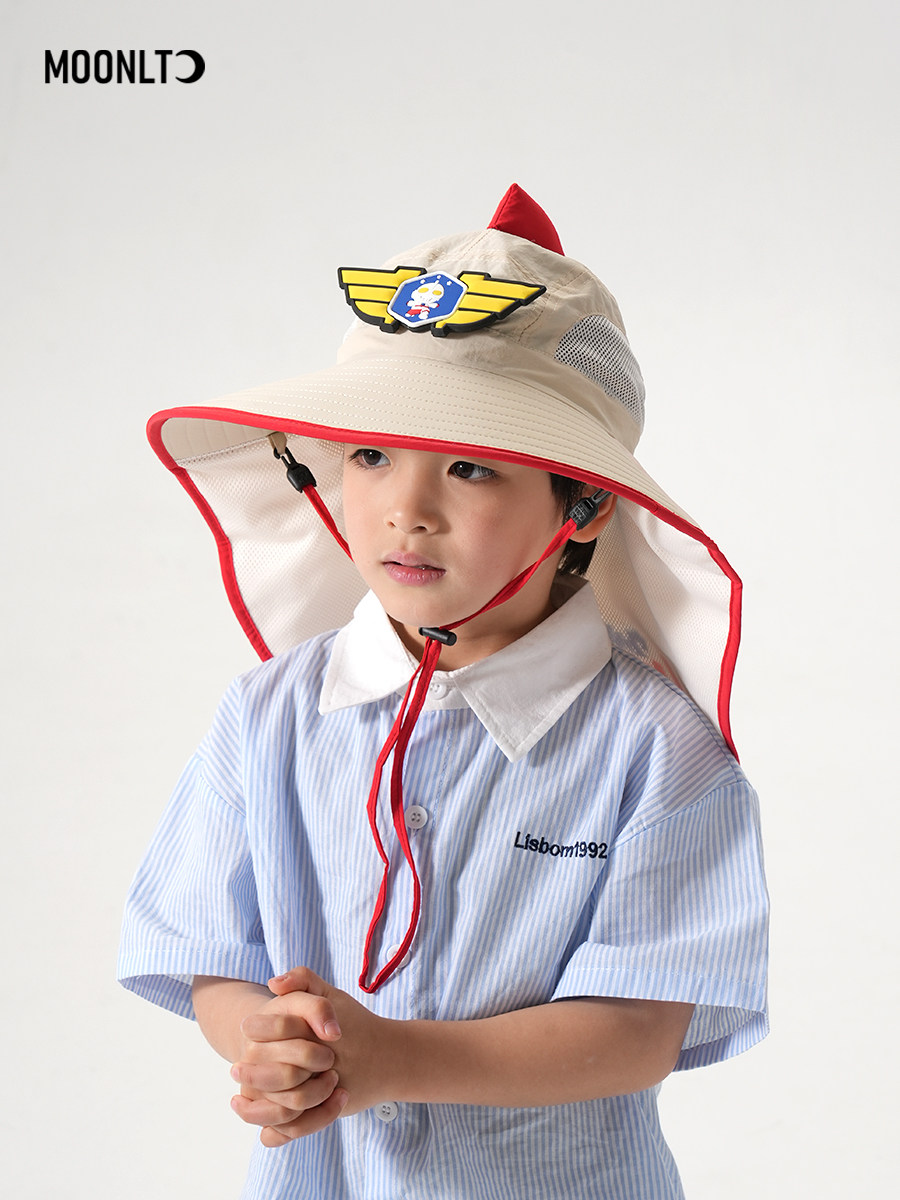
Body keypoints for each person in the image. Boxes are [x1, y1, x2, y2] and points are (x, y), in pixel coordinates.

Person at [119, 184, 768, 1199]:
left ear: (586, 505)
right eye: (372, 455)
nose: (406, 510)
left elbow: (641, 1028)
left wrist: (392, 1061)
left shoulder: (656, 746)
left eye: (469, 466)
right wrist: (273, 1041)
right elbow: (211, 952)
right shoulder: (270, 714)